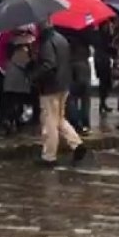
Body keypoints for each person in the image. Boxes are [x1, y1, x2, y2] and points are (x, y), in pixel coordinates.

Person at [28, 23, 86, 168]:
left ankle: (49, 156)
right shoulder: (61, 38)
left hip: (50, 87)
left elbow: (49, 64)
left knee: (49, 122)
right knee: (59, 118)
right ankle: (77, 144)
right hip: (63, 84)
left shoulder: (46, 42)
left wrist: (33, 76)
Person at [1, 29, 36, 135]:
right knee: (18, 103)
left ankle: (10, 121)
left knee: (11, 102)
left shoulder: (11, 49)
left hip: (10, 82)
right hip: (20, 82)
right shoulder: (23, 53)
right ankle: (15, 123)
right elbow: (28, 64)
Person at [64, 29, 93, 135]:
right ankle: (85, 123)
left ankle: (75, 122)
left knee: (71, 96)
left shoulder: (63, 28)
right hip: (83, 64)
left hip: (70, 64)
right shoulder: (85, 28)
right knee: (85, 97)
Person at [94, 20, 114, 114]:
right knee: (104, 83)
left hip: (102, 60)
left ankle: (103, 103)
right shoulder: (101, 35)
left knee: (105, 83)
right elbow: (109, 47)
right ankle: (102, 103)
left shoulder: (103, 34)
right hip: (102, 60)